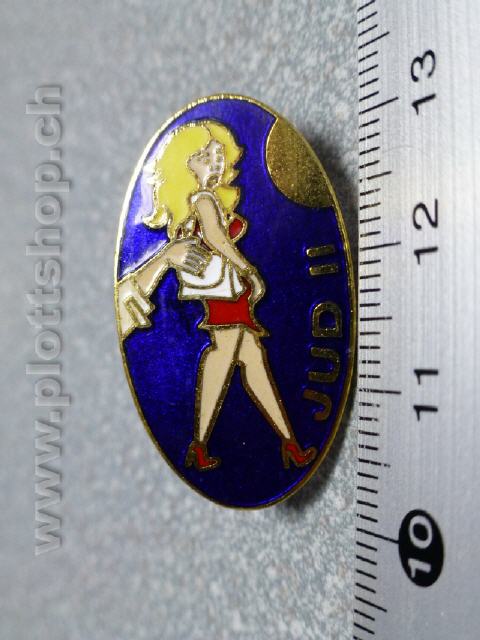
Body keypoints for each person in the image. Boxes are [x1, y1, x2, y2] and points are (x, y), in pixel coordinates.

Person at [117, 120, 316, 471]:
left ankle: (285, 443)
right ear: (185, 166)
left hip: (227, 292)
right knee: (225, 357)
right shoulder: (203, 200)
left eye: (218, 154)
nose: (215, 161)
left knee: (249, 358)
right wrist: (249, 270)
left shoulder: (207, 202)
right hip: (225, 294)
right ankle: (206, 445)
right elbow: (216, 239)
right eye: (203, 156)